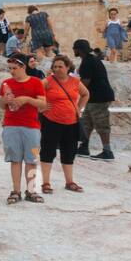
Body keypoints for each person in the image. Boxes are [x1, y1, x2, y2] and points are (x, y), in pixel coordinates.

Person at [0, 53, 48, 204]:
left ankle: (32, 190)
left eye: (14, 68)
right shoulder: (6, 83)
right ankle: (16, 190)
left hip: (31, 126)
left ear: (23, 67)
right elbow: (1, 106)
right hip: (11, 125)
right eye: (10, 68)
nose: (11, 71)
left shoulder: (35, 82)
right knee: (15, 159)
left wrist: (26, 99)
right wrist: (4, 100)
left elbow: (43, 105)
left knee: (32, 160)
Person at [39, 56, 88, 194]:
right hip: (51, 121)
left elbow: (85, 94)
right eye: (55, 66)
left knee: (69, 152)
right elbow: (35, 92)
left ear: (68, 68)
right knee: (48, 151)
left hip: (71, 122)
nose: (57, 69)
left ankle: (69, 181)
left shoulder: (75, 81)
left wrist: (79, 109)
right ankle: (46, 182)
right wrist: (41, 107)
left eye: (60, 66)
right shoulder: (48, 81)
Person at [72, 39, 115, 160]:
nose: (74, 51)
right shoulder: (89, 59)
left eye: (74, 49)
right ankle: (84, 147)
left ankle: (107, 151)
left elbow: (85, 82)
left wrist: (72, 92)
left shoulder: (88, 62)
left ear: (79, 50)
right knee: (86, 122)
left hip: (99, 97)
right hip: (94, 97)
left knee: (101, 123)